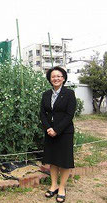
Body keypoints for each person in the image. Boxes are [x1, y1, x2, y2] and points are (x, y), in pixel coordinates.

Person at [40, 66, 77, 203]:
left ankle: (62, 188)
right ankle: (53, 185)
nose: (56, 78)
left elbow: (69, 115)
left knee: (64, 161)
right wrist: (48, 128)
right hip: (50, 132)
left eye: (59, 76)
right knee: (53, 160)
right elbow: (42, 114)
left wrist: (57, 129)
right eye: (53, 76)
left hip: (65, 132)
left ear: (63, 78)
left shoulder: (69, 94)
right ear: (50, 79)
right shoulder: (46, 94)